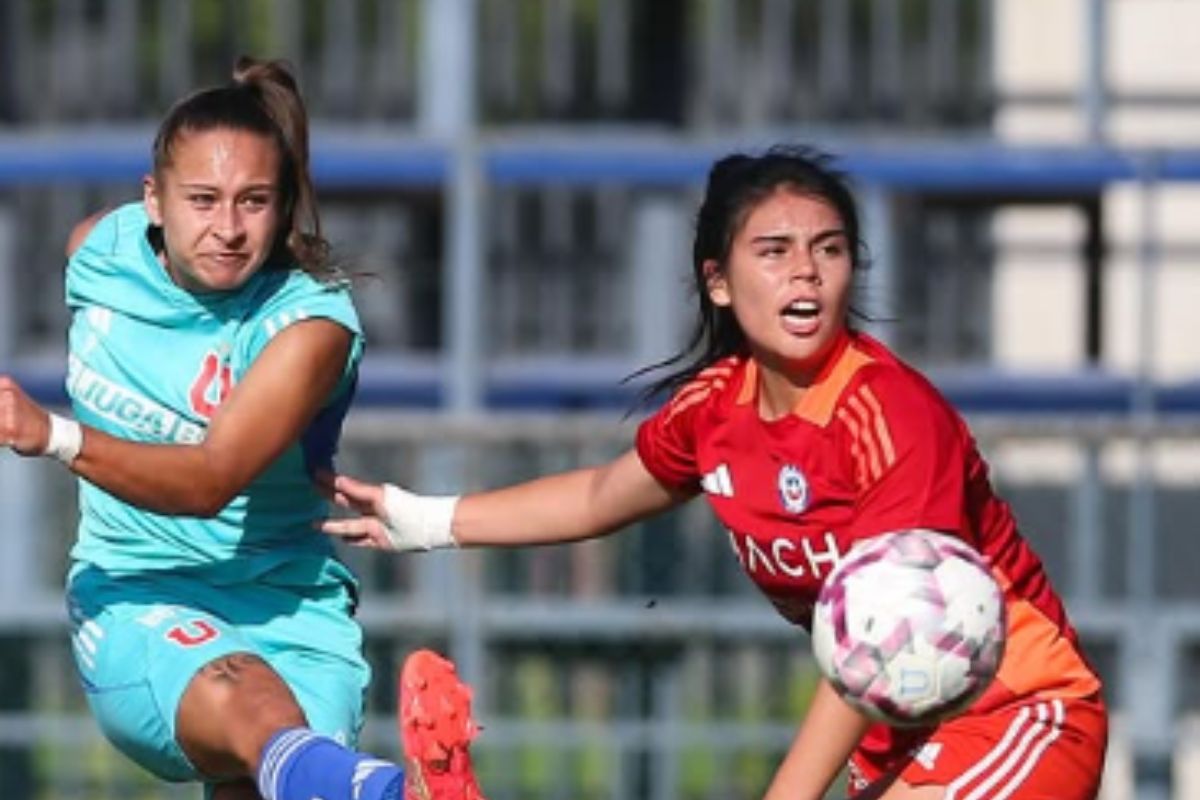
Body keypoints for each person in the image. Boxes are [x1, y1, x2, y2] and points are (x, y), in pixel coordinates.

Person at [319, 146, 1108, 800]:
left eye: (828, 250)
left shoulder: (889, 415)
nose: (806, 272)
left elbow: (886, 638)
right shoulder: (715, 409)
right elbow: (600, 494)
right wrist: (423, 519)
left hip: (1016, 711)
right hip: (895, 732)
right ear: (719, 282)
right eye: (775, 251)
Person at [0, 57, 484, 800]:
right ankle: (397, 795)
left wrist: (56, 437)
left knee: (279, 761)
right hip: (138, 598)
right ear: (152, 202)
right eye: (203, 199)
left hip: (292, 613)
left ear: (284, 206)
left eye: (253, 201)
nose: (227, 228)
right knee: (250, 701)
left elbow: (210, 479)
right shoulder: (98, 252)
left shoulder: (310, 326)